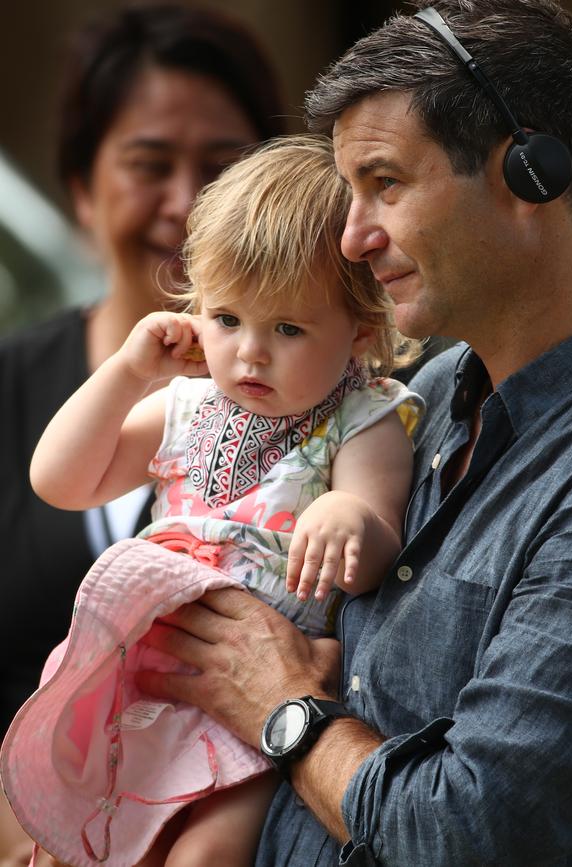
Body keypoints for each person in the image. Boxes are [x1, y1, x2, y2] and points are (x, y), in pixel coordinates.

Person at [109, 1, 572, 865]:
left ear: (531, 174)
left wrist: (284, 709)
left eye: (385, 184)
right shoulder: (422, 394)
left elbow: (471, 830)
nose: (353, 240)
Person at [1, 135, 422, 867]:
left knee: (206, 853)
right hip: (140, 670)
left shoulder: (363, 417)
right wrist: (129, 372)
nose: (251, 352)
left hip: (254, 693)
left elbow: (376, 544)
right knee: (76, 842)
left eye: (287, 328)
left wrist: (348, 516)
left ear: (360, 330)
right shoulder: (187, 404)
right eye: (227, 319)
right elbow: (61, 480)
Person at [0, 3, 286, 862]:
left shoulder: (328, 407)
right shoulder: (11, 391)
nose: (187, 202)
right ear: (83, 193)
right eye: (149, 164)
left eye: (223, 166)